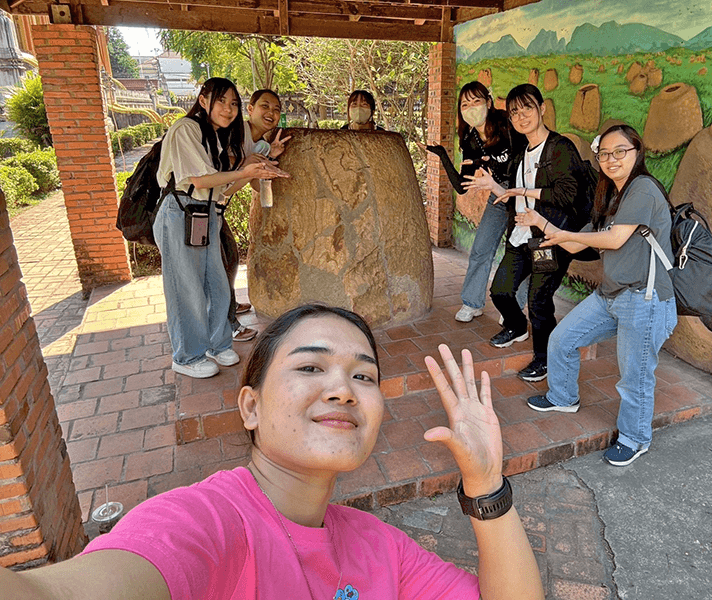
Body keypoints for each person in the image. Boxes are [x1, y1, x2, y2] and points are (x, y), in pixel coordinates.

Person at [4, 304, 545, 600]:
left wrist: (486, 484)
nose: (343, 389)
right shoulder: (203, 523)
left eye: (363, 376)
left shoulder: (381, 547)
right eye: (310, 366)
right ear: (251, 407)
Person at [522, 124, 678, 467]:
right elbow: (576, 243)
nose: (611, 159)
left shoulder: (643, 189)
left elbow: (614, 239)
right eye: (604, 153)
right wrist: (542, 225)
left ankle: (635, 438)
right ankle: (563, 397)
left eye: (620, 151)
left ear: (637, 152)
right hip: (610, 295)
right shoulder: (611, 196)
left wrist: (567, 235)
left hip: (645, 299)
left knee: (635, 376)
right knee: (562, 339)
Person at [153, 77, 287, 379]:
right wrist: (245, 170)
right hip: (181, 212)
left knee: (217, 283)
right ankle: (187, 356)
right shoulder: (186, 129)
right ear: (203, 101)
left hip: (207, 214)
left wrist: (259, 168)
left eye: (233, 103)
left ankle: (217, 343)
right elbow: (200, 180)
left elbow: (224, 187)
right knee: (186, 288)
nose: (228, 109)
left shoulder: (215, 136)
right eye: (221, 101)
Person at [464, 84, 592, 383]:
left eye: (527, 108)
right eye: (514, 112)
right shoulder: (521, 151)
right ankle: (516, 326)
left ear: (542, 109)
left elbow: (567, 194)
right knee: (500, 290)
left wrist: (523, 191)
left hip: (549, 238)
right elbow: (512, 195)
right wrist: (494, 186)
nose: (521, 117)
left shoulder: (560, 148)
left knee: (539, 301)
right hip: (520, 235)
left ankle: (544, 359)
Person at [419, 81, 527, 323]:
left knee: (519, 251)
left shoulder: (507, 124)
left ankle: (514, 308)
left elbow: (522, 158)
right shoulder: (470, 140)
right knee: (480, 249)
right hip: (498, 195)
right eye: (465, 104)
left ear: (488, 102)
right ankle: (472, 302)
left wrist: (489, 162)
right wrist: (443, 156)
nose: (471, 108)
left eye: (476, 101)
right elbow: (461, 185)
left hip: (524, 193)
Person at [221, 88, 293, 344]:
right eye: (265, 106)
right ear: (250, 109)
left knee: (229, 259)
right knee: (219, 267)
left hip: (217, 206)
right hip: (199, 203)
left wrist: (269, 156)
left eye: (276, 109)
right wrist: (249, 163)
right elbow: (225, 168)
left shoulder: (261, 144)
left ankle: (228, 307)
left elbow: (253, 182)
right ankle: (228, 324)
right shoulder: (232, 133)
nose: (271, 112)